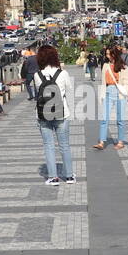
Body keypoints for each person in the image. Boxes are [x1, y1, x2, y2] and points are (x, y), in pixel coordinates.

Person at [32, 44, 76, 185]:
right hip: (61, 113)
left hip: (43, 114)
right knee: (64, 145)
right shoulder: (63, 74)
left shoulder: (37, 76)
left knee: (48, 146)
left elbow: (37, 93)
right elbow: (70, 92)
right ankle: (69, 176)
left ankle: (53, 177)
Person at [93, 46, 128, 150]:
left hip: (120, 93)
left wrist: (127, 94)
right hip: (108, 92)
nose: (107, 56)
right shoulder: (105, 66)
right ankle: (101, 142)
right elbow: (103, 82)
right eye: (106, 54)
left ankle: (120, 141)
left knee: (120, 119)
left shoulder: (123, 66)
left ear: (114, 54)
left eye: (109, 54)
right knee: (104, 118)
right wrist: (102, 95)